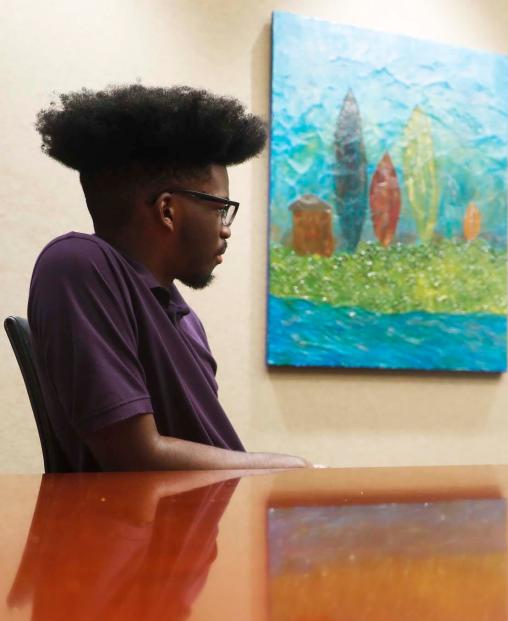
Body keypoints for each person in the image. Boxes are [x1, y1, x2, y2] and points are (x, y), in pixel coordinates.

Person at [28, 84, 311, 471]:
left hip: (208, 523)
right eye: (220, 209)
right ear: (168, 211)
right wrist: (284, 469)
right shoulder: (76, 264)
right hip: (146, 531)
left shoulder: (185, 319)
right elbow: (134, 454)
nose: (226, 229)